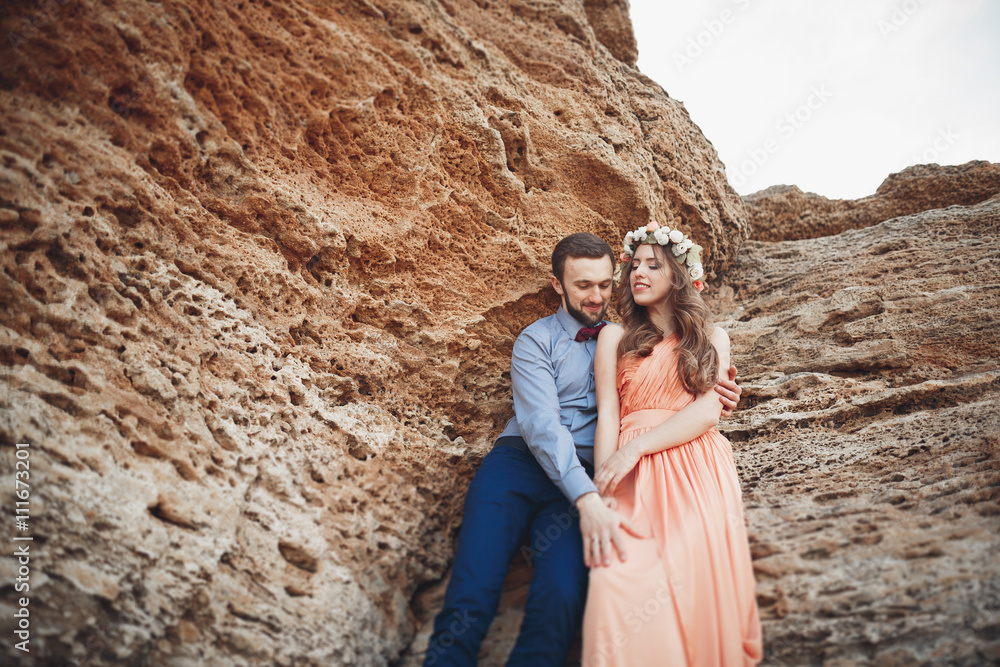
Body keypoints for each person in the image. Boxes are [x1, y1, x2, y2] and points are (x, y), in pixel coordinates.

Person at [424, 233, 742, 667]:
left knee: (562, 595)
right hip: (520, 466)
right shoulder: (535, 339)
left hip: (585, 477)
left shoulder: (624, 337)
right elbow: (542, 428)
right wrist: (590, 498)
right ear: (558, 285)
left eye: (605, 285)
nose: (596, 296)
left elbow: (682, 384)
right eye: (583, 285)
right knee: (473, 587)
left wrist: (721, 390)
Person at [582, 223, 762, 666]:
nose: (638, 273)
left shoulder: (712, 337)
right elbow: (608, 415)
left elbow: (707, 412)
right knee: (614, 580)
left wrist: (638, 447)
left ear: (678, 276)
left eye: (653, 265)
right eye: (634, 266)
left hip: (696, 464)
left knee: (691, 574)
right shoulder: (614, 337)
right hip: (630, 472)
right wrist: (602, 489)